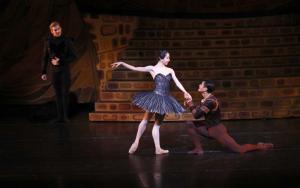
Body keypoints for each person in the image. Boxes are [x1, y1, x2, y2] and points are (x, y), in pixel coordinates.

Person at [111, 50, 191, 155]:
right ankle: (136, 142)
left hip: (165, 99)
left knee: (157, 125)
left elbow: (177, 82)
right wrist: (122, 63)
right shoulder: (152, 68)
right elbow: (136, 68)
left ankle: (158, 149)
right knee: (145, 120)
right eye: (167, 58)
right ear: (161, 58)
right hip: (155, 97)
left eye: (169, 58)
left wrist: (185, 92)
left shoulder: (170, 70)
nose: (169, 60)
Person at [184, 80, 273, 154]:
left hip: (217, 130)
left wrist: (190, 103)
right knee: (190, 123)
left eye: (201, 84)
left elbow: (197, 115)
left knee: (240, 149)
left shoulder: (211, 101)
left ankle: (260, 146)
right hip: (208, 128)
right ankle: (199, 149)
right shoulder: (206, 100)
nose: (199, 85)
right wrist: (190, 102)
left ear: (205, 89)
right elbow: (198, 112)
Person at [41, 21, 76, 123]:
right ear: (51, 31)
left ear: (61, 28)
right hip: (54, 72)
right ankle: (59, 117)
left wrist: (60, 60)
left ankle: (65, 117)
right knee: (57, 94)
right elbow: (45, 57)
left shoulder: (67, 41)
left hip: (64, 71)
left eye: (59, 29)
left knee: (65, 93)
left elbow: (73, 56)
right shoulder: (48, 42)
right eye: (55, 30)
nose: (57, 31)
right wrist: (43, 72)